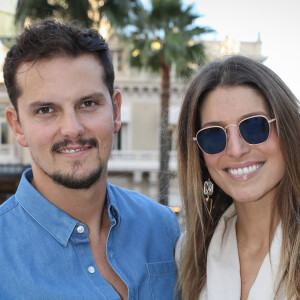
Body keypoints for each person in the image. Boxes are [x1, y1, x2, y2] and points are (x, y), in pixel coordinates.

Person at [1, 19, 180, 300]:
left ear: (116, 110)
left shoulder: (162, 227)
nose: (72, 128)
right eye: (46, 109)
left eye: (88, 104)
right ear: (18, 126)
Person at [175, 55, 300, 300]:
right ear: (200, 154)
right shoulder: (189, 254)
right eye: (213, 135)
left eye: (254, 126)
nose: (235, 150)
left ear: (288, 129)